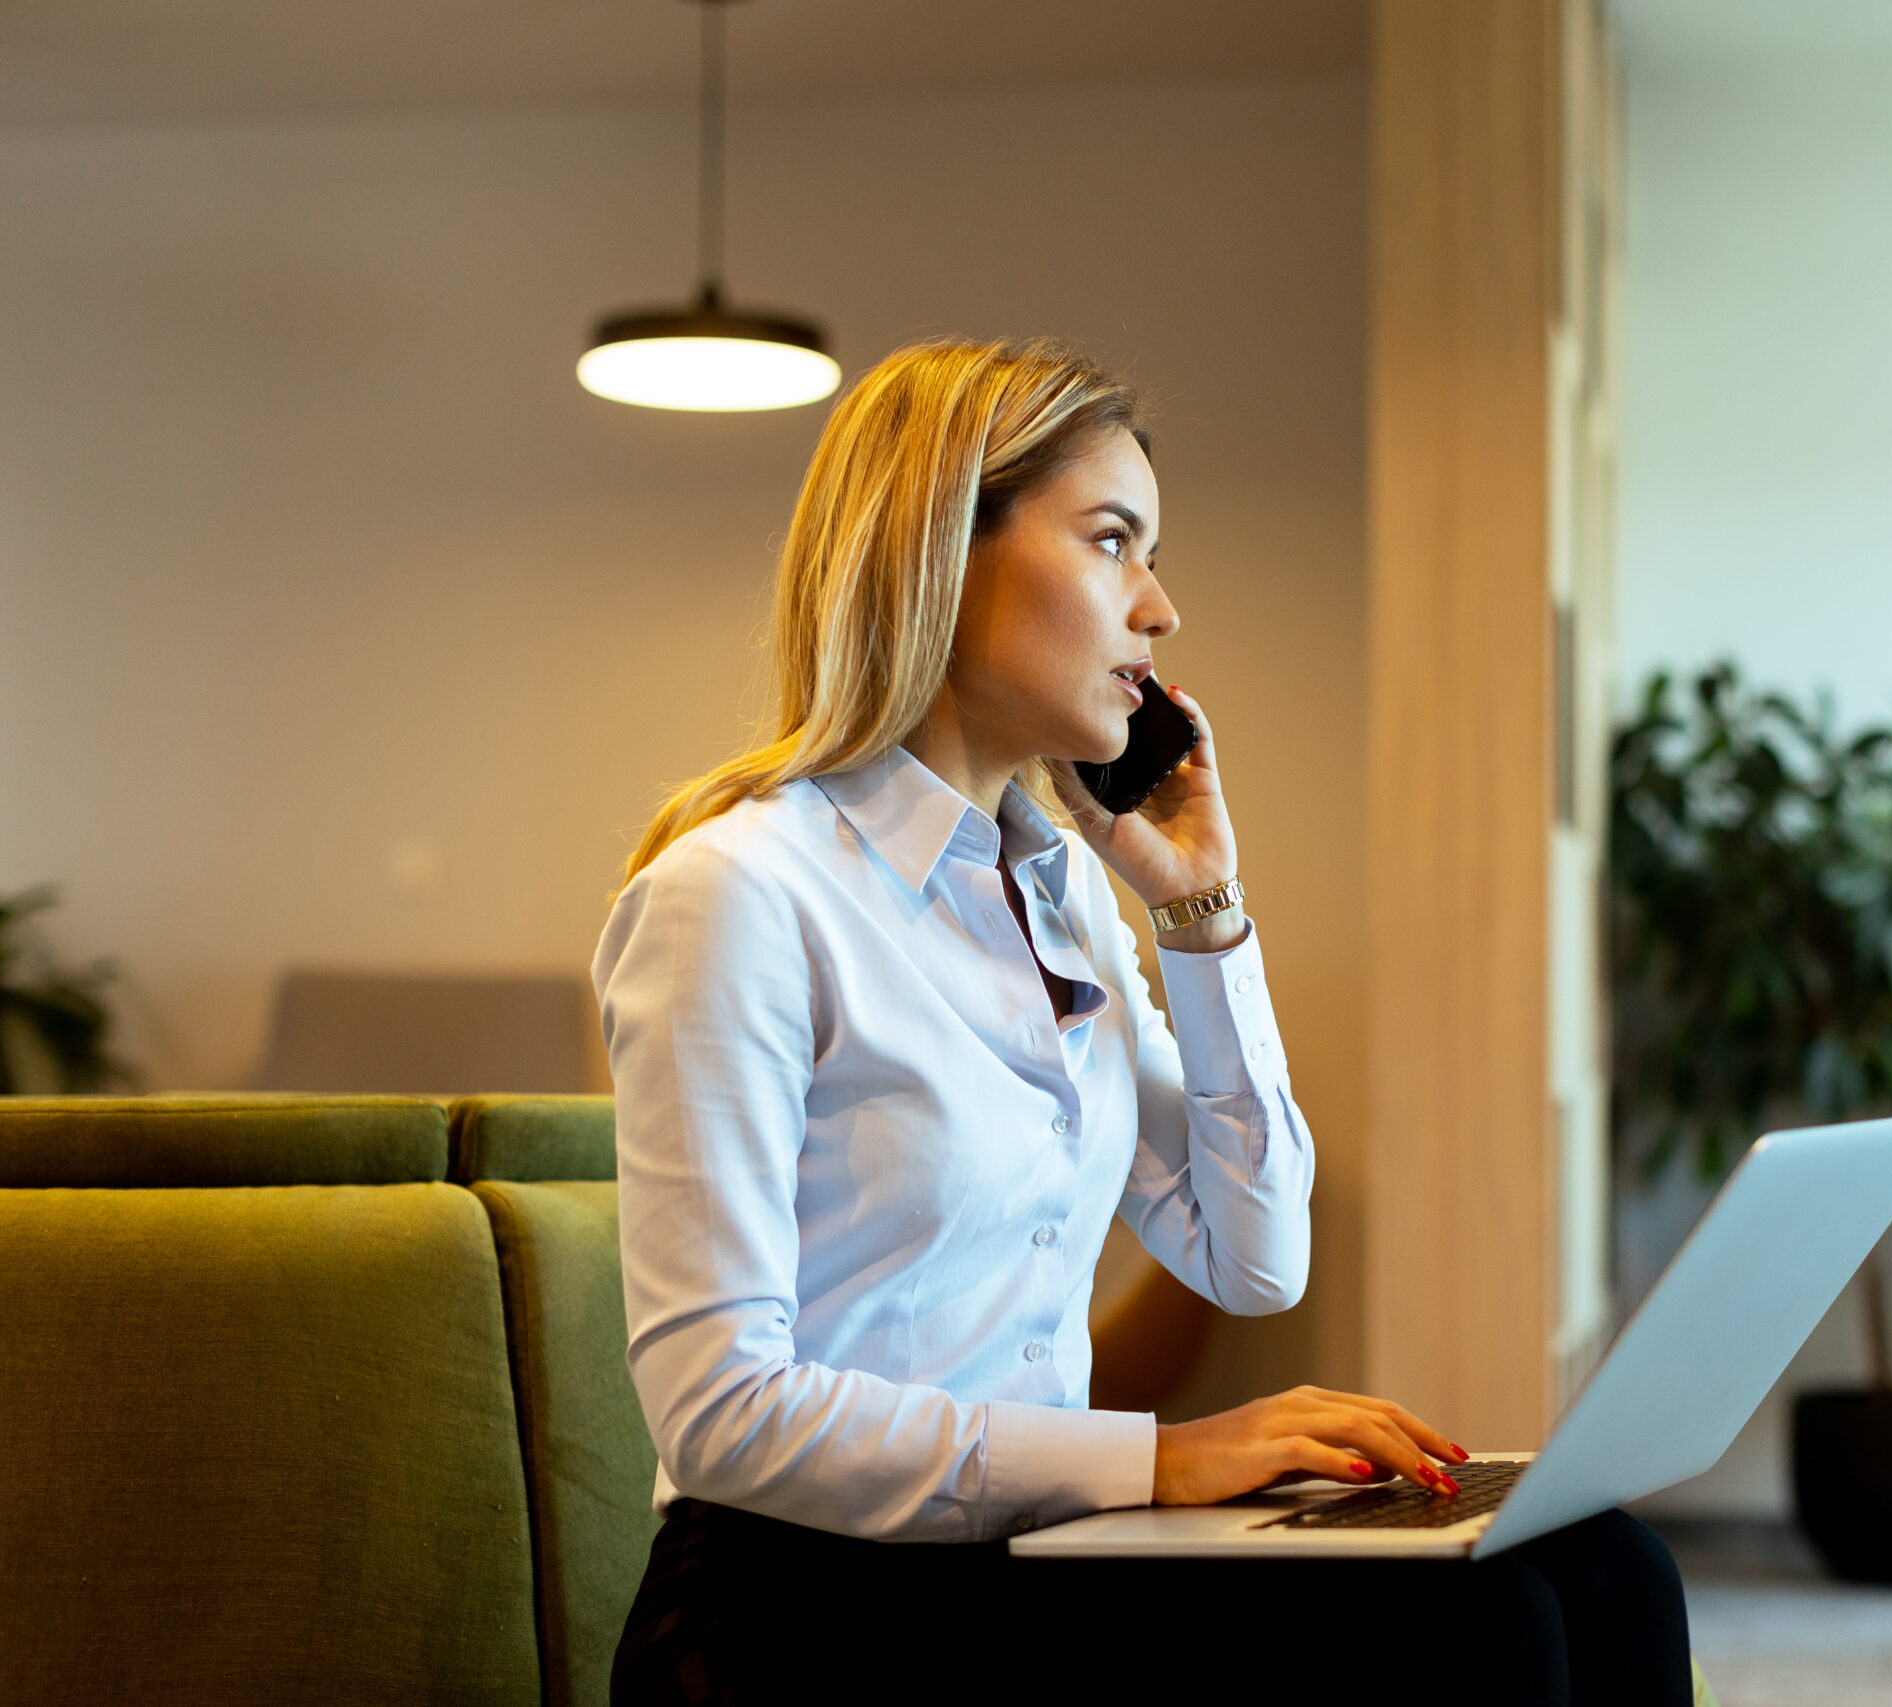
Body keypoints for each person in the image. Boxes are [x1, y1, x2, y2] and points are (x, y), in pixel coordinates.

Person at [595, 337, 1694, 1704]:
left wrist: (1204, 912)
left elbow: (1255, 1258)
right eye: (1114, 542)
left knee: (1605, 1568)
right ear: (945, 549)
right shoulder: (740, 895)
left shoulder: (1061, 900)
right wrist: (1164, 1459)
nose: (1160, 608)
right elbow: (719, 1416)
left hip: (1037, 1559)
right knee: (1479, 1636)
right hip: (801, 1613)